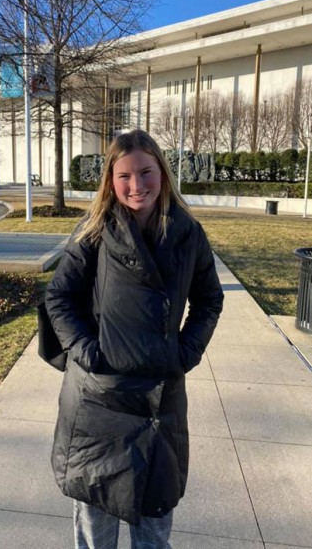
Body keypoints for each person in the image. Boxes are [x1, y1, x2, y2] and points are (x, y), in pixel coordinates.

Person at [45, 130, 224, 549]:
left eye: (145, 172)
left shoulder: (188, 234)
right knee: (95, 529)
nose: (136, 185)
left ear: (162, 171)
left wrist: (184, 352)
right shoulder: (93, 231)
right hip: (99, 401)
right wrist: (88, 353)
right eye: (124, 175)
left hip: (160, 400)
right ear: (111, 179)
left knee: (154, 527)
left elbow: (209, 300)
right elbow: (59, 296)